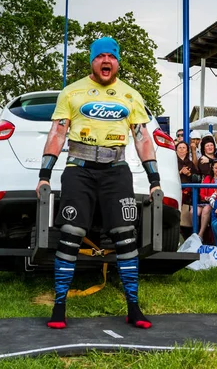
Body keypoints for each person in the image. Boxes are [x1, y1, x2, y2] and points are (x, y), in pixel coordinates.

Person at [35, 37, 158, 329]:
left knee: (125, 236)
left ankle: (133, 308)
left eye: (112, 57)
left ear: (117, 62)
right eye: (100, 56)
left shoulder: (130, 95)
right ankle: (59, 307)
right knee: (71, 233)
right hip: (79, 170)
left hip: (116, 171)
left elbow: (143, 138)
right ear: (92, 60)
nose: (106, 61)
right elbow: (57, 133)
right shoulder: (72, 91)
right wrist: (44, 175)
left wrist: (154, 180)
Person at [197, 159, 217, 242]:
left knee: (206, 209)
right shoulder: (207, 178)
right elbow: (202, 192)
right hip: (205, 201)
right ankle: (194, 234)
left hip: (216, 203)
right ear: (212, 168)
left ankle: (200, 234)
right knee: (194, 212)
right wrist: (206, 197)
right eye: (216, 168)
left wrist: (213, 197)